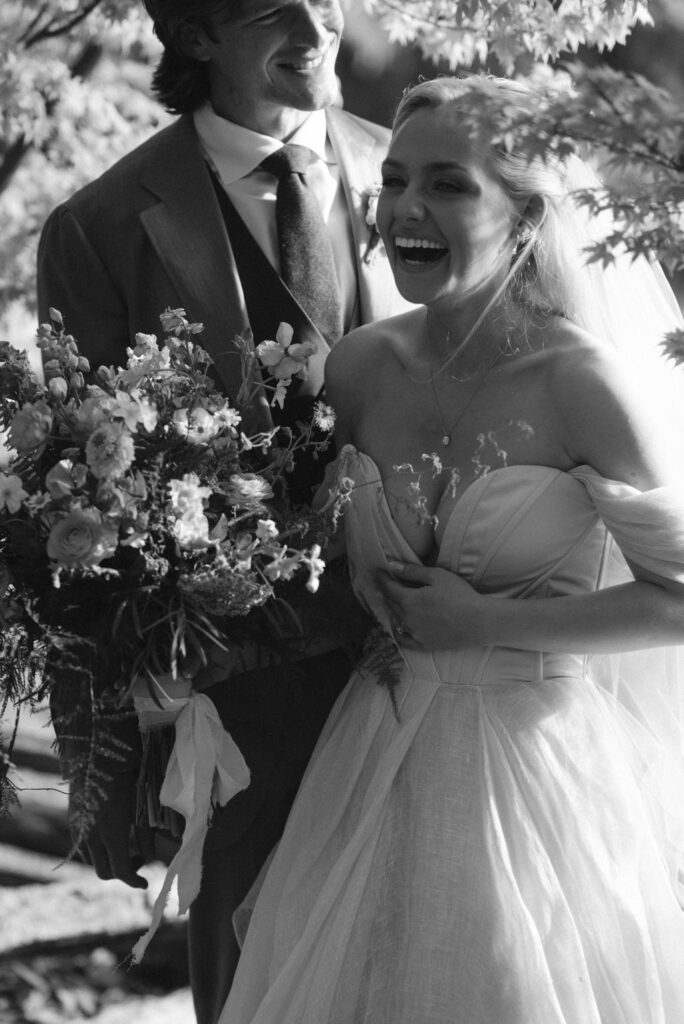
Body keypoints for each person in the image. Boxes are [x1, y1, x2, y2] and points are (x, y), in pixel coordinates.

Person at [219, 75, 684, 1024]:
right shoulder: (356, 366)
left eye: (448, 184)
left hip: (532, 785)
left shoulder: (583, 383)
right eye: (392, 181)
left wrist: (486, 621)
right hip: (365, 764)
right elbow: (295, 558)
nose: (405, 210)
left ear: (526, 214)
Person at [36, 3, 409, 1021]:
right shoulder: (100, 226)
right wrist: (107, 753)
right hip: (240, 684)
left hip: (439, 654)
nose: (316, 23)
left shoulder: (423, 170)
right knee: (252, 978)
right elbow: (76, 503)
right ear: (198, 35)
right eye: (269, 7)